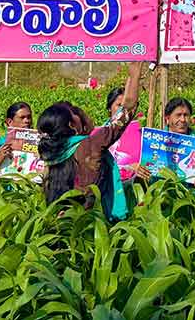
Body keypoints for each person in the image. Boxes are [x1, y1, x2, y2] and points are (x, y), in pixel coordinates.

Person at [39, 62, 143, 220]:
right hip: (91, 223)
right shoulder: (89, 145)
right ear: (71, 125)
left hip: (59, 219)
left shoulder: (53, 152)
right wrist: (135, 75)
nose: (78, 111)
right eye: (73, 112)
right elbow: (127, 111)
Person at [0, 102, 35, 174]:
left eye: (29, 117)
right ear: (9, 122)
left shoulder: (36, 143)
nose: (27, 121)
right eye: (22, 117)